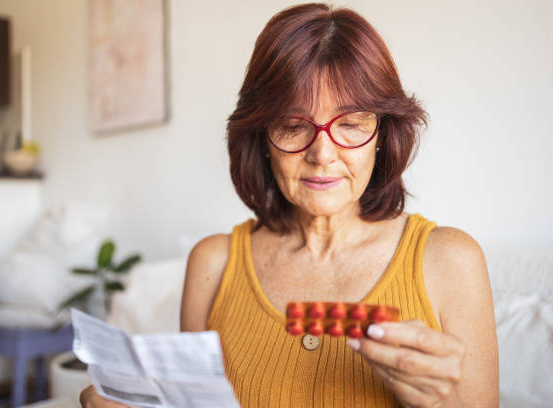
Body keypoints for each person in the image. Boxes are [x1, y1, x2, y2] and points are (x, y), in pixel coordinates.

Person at [81, 3, 498, 407]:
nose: (322, 153)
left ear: (384, 134)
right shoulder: (211, 263)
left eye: (351, 124)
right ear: (262, 138)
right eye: (293, 126)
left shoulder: (451, 260)